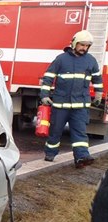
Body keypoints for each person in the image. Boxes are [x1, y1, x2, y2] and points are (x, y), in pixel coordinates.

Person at [39, 30, 103, 168]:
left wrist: (98, 94)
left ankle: (81, 157)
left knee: (80, 133)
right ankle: (50, 153)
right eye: (82, 45)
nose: (84, 48)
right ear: (74, 43)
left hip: (80, 106)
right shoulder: (61, 59)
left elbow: (97, 78)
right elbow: (48, 77)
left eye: (87, 46)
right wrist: (44, 95)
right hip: (60, 105)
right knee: (55, 132)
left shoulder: (91, 60)